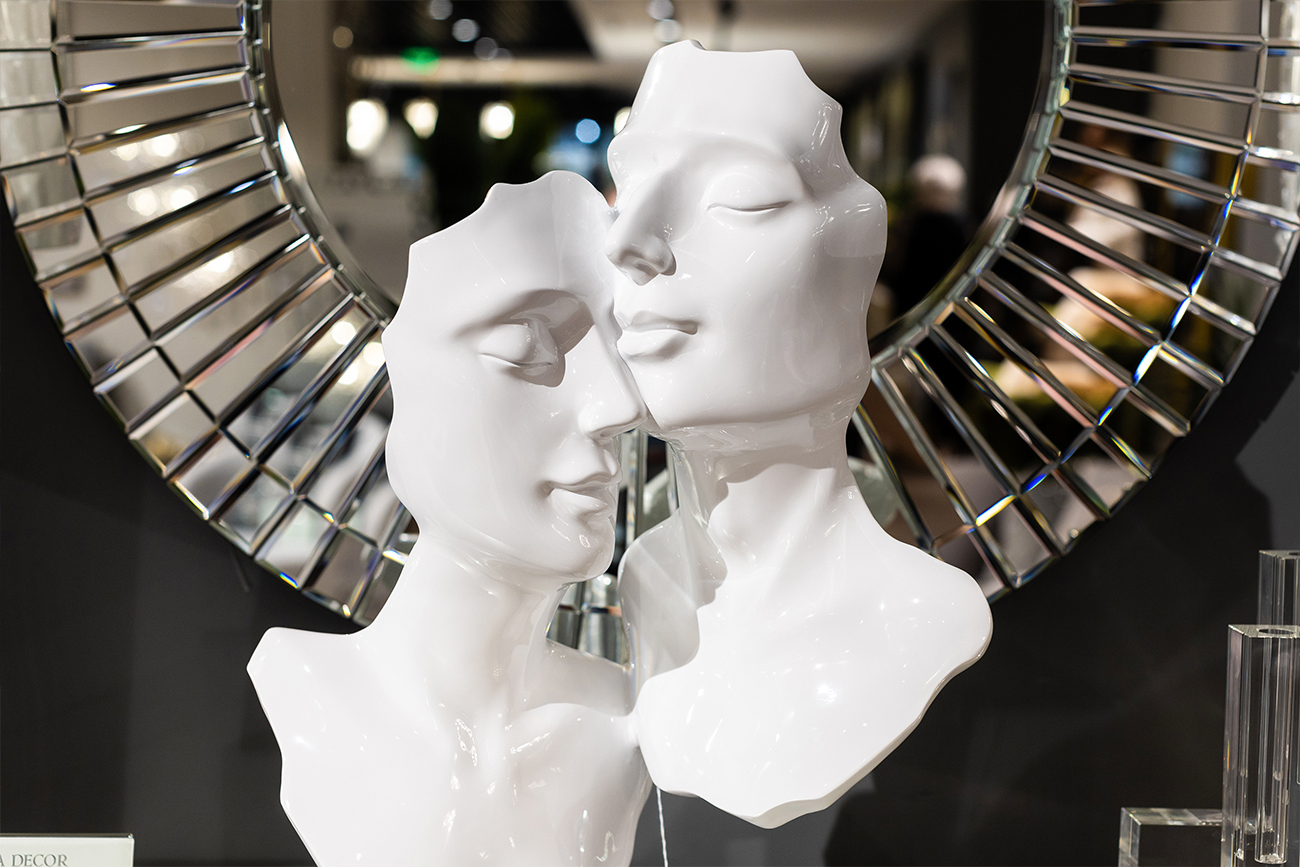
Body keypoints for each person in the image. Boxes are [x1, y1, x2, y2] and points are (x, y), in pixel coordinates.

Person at [605, 41, 993, 828]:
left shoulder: (921, 618)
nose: (629, 242)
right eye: (628, 189)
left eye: (739, 196)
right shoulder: (648, 585)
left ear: (851, 266)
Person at [248, 172, 651, 866]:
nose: (620, 404)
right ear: (412, 380)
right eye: (528, 346)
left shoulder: (625, 724)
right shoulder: (304, 692)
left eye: (623, 351)